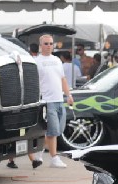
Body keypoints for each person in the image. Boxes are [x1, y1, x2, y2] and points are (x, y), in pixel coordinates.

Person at [36, 34, 74, 168]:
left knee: (58, 130)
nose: (48, 46)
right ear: (40, 46)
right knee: (53, 131)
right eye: (46, 43)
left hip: (59, 99)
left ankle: (38, 151)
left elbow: (62, 79)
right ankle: (54, 158)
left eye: (51, 43)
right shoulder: (37, 61)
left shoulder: (57, 60)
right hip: (47, 100)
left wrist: (68, 95)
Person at [6, 42, 43, 169]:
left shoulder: (20, 69)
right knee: (16, 135)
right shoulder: (13, 69)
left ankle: (24, 160)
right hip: (14, 108)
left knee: (20, 135)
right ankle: (20, 160)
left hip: (20, 108)